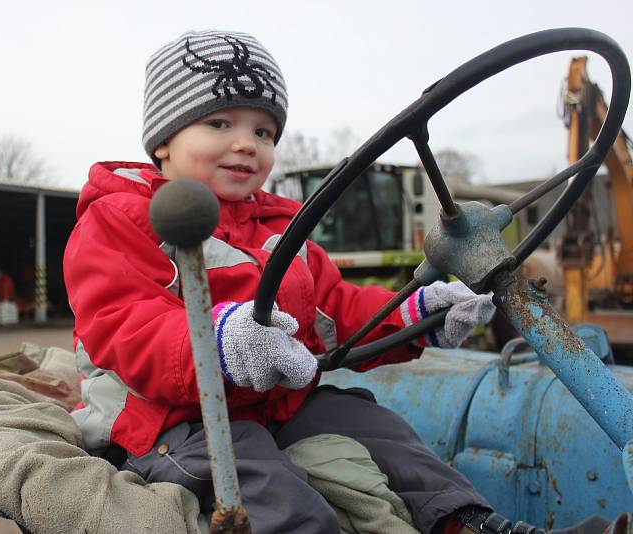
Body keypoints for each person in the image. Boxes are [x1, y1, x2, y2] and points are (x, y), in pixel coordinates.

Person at [63, 30, 614, 534]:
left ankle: (469, 524)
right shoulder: (121, 219)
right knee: (267, 482)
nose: (247, 143)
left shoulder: (283, 228)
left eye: (263, 130)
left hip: (272, 405)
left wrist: (417, 314)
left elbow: (334, 311)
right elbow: (121, 325)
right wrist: (220, 343)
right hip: (167, 420)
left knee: (379, 427)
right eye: (219, 123)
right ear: (162, 141)